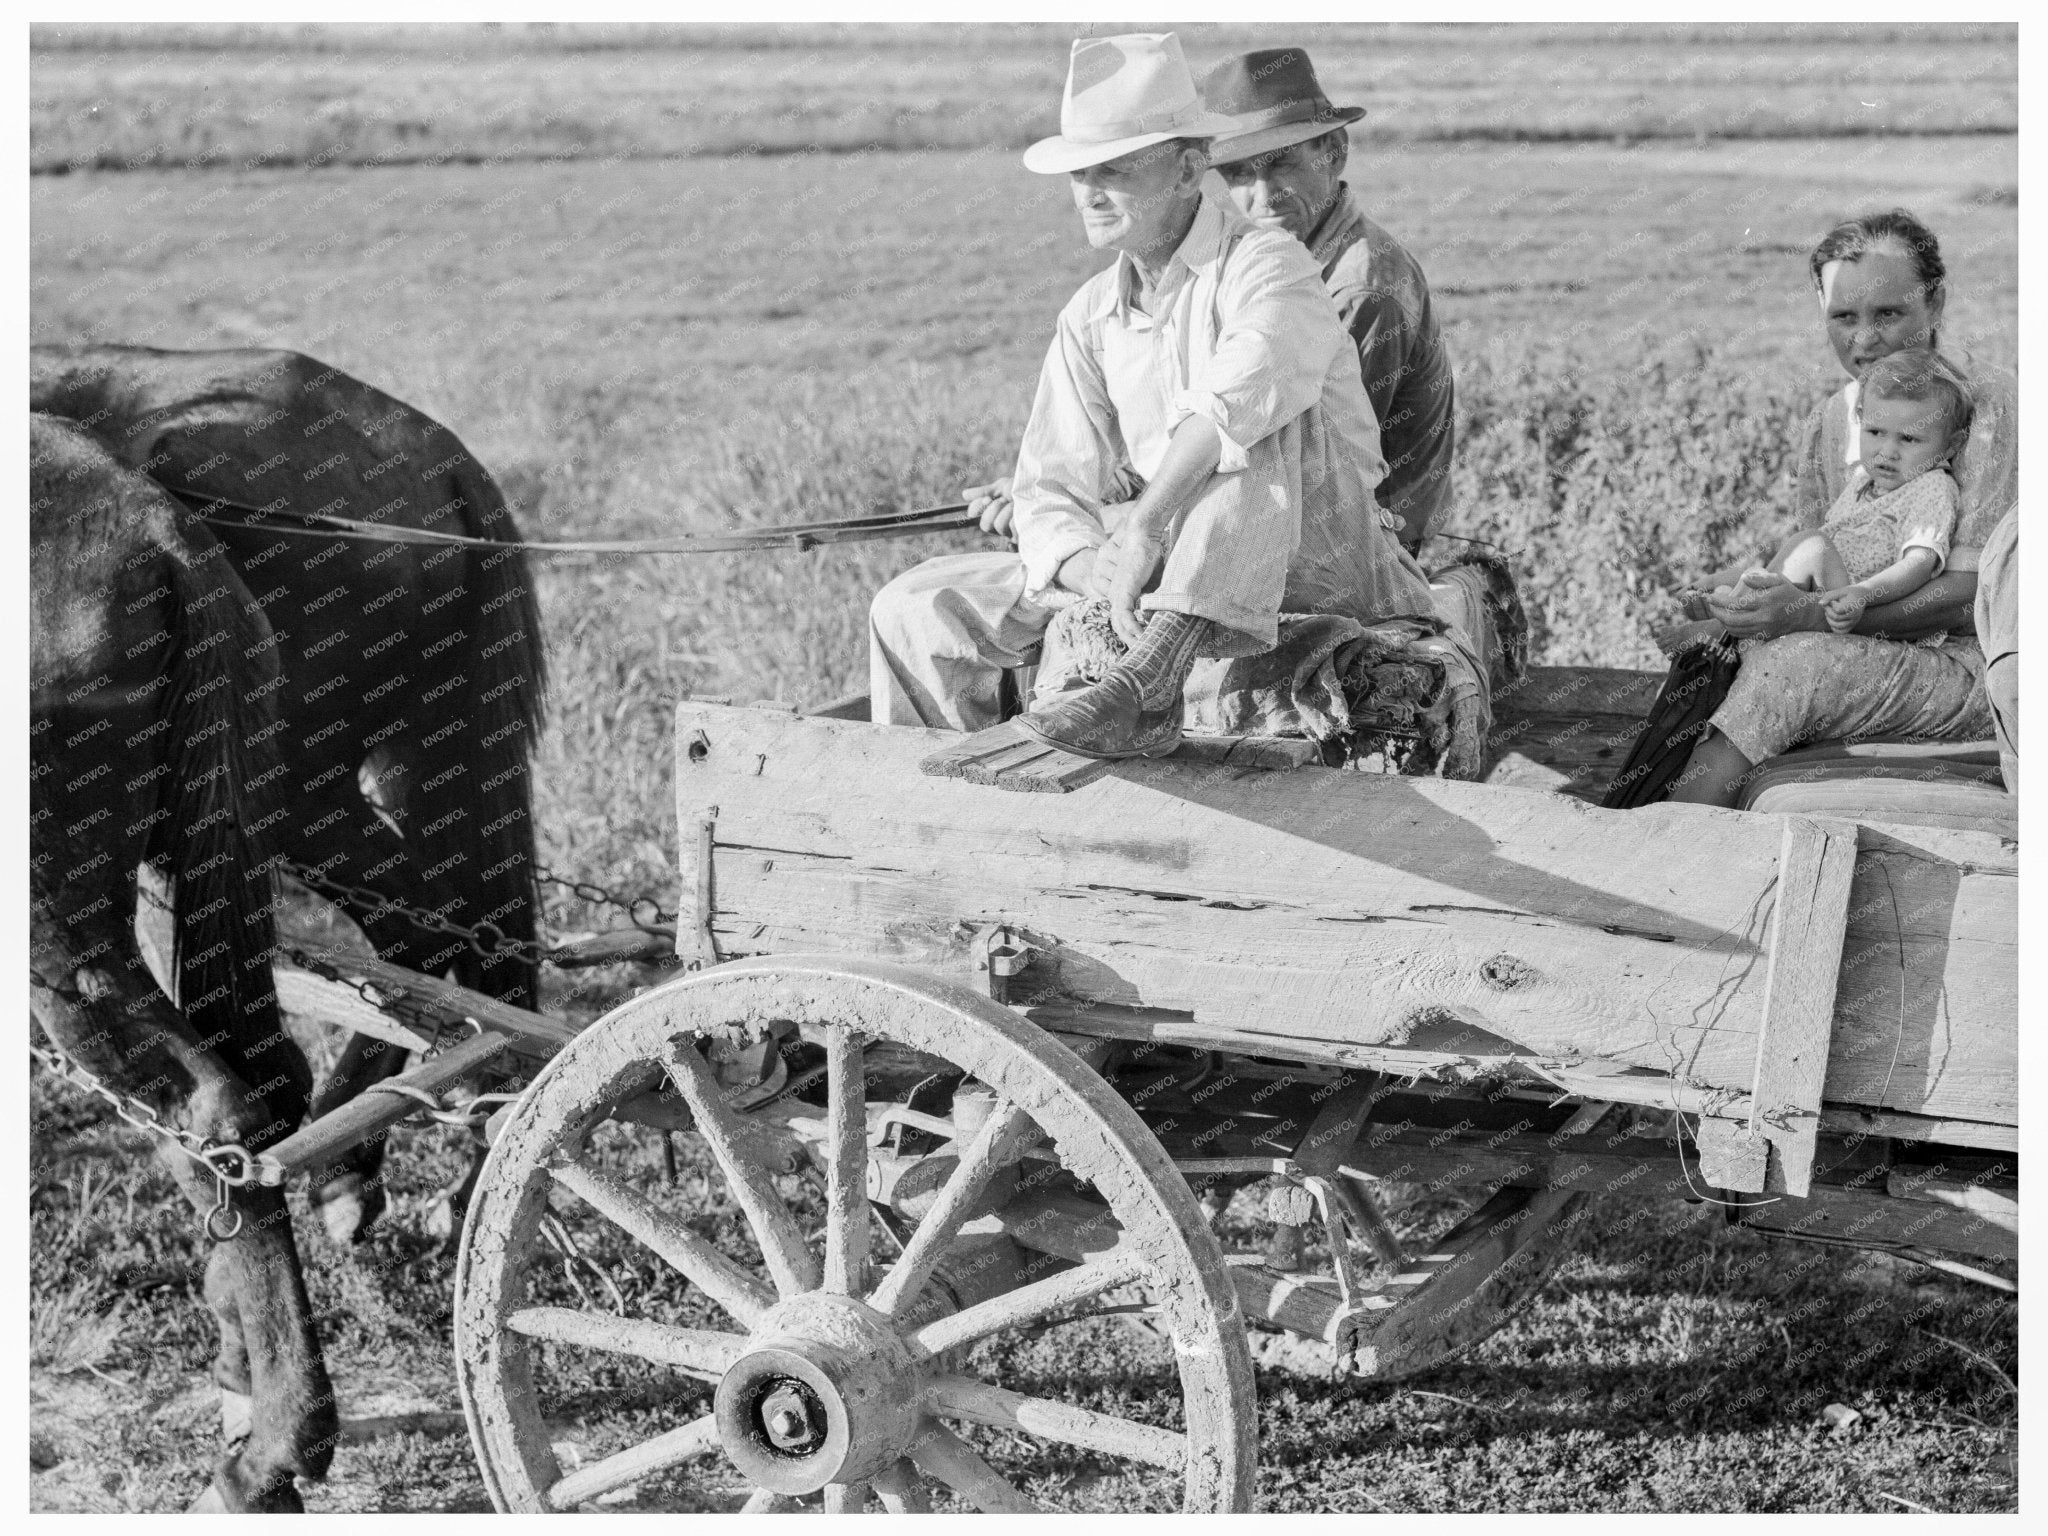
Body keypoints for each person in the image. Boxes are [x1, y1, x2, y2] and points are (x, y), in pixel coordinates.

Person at [868, 32, 1438, 757]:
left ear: (1188, 170)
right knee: (917, 604)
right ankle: (929, 809)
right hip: (1174, 562)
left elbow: (1245, 391)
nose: (1090, 193)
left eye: (1115, 170)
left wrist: (1140, 527)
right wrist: (1090, 566)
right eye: (1080, 173)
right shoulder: (1090, 314)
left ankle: (1149, 682)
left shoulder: (1270, 264)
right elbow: (1047, 489)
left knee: (1252, 420)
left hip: (1323, 555)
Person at [1666, 209, 2018, 807]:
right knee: (1715, 658)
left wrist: (1807, 618)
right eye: (1843, 317)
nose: (1863, 340)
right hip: (1874, 642)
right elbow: (1824, 546)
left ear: (1935, 303)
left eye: (1889, 313)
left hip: (1973, 667)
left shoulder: (1991, 409)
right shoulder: (1833, 419)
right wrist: (1754, 600)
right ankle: (1659, 815)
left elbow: (1968, 593)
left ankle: (1674, 835)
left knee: (1795, 667)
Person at [1200, 47, 1455, 553]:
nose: (1262, 193)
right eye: (1239, 174)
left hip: (1362, 547)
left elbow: (1300, 457)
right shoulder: (1282, 263)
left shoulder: (1358, 289)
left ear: (1334, 152)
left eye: (1282, 164)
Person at [1656, 350, 1972, 653]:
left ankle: (1725, 631)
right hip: (1828, 587)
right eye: (1875, 432)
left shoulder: (1932, 487)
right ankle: (1722, 602)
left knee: (1811, 545)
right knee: (1744, 575)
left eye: (1908, 438)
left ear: (1949, 446)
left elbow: (1918, 564)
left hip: (1856, 602)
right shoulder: (1864, 483)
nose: (1887, 451)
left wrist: (1863, 593)